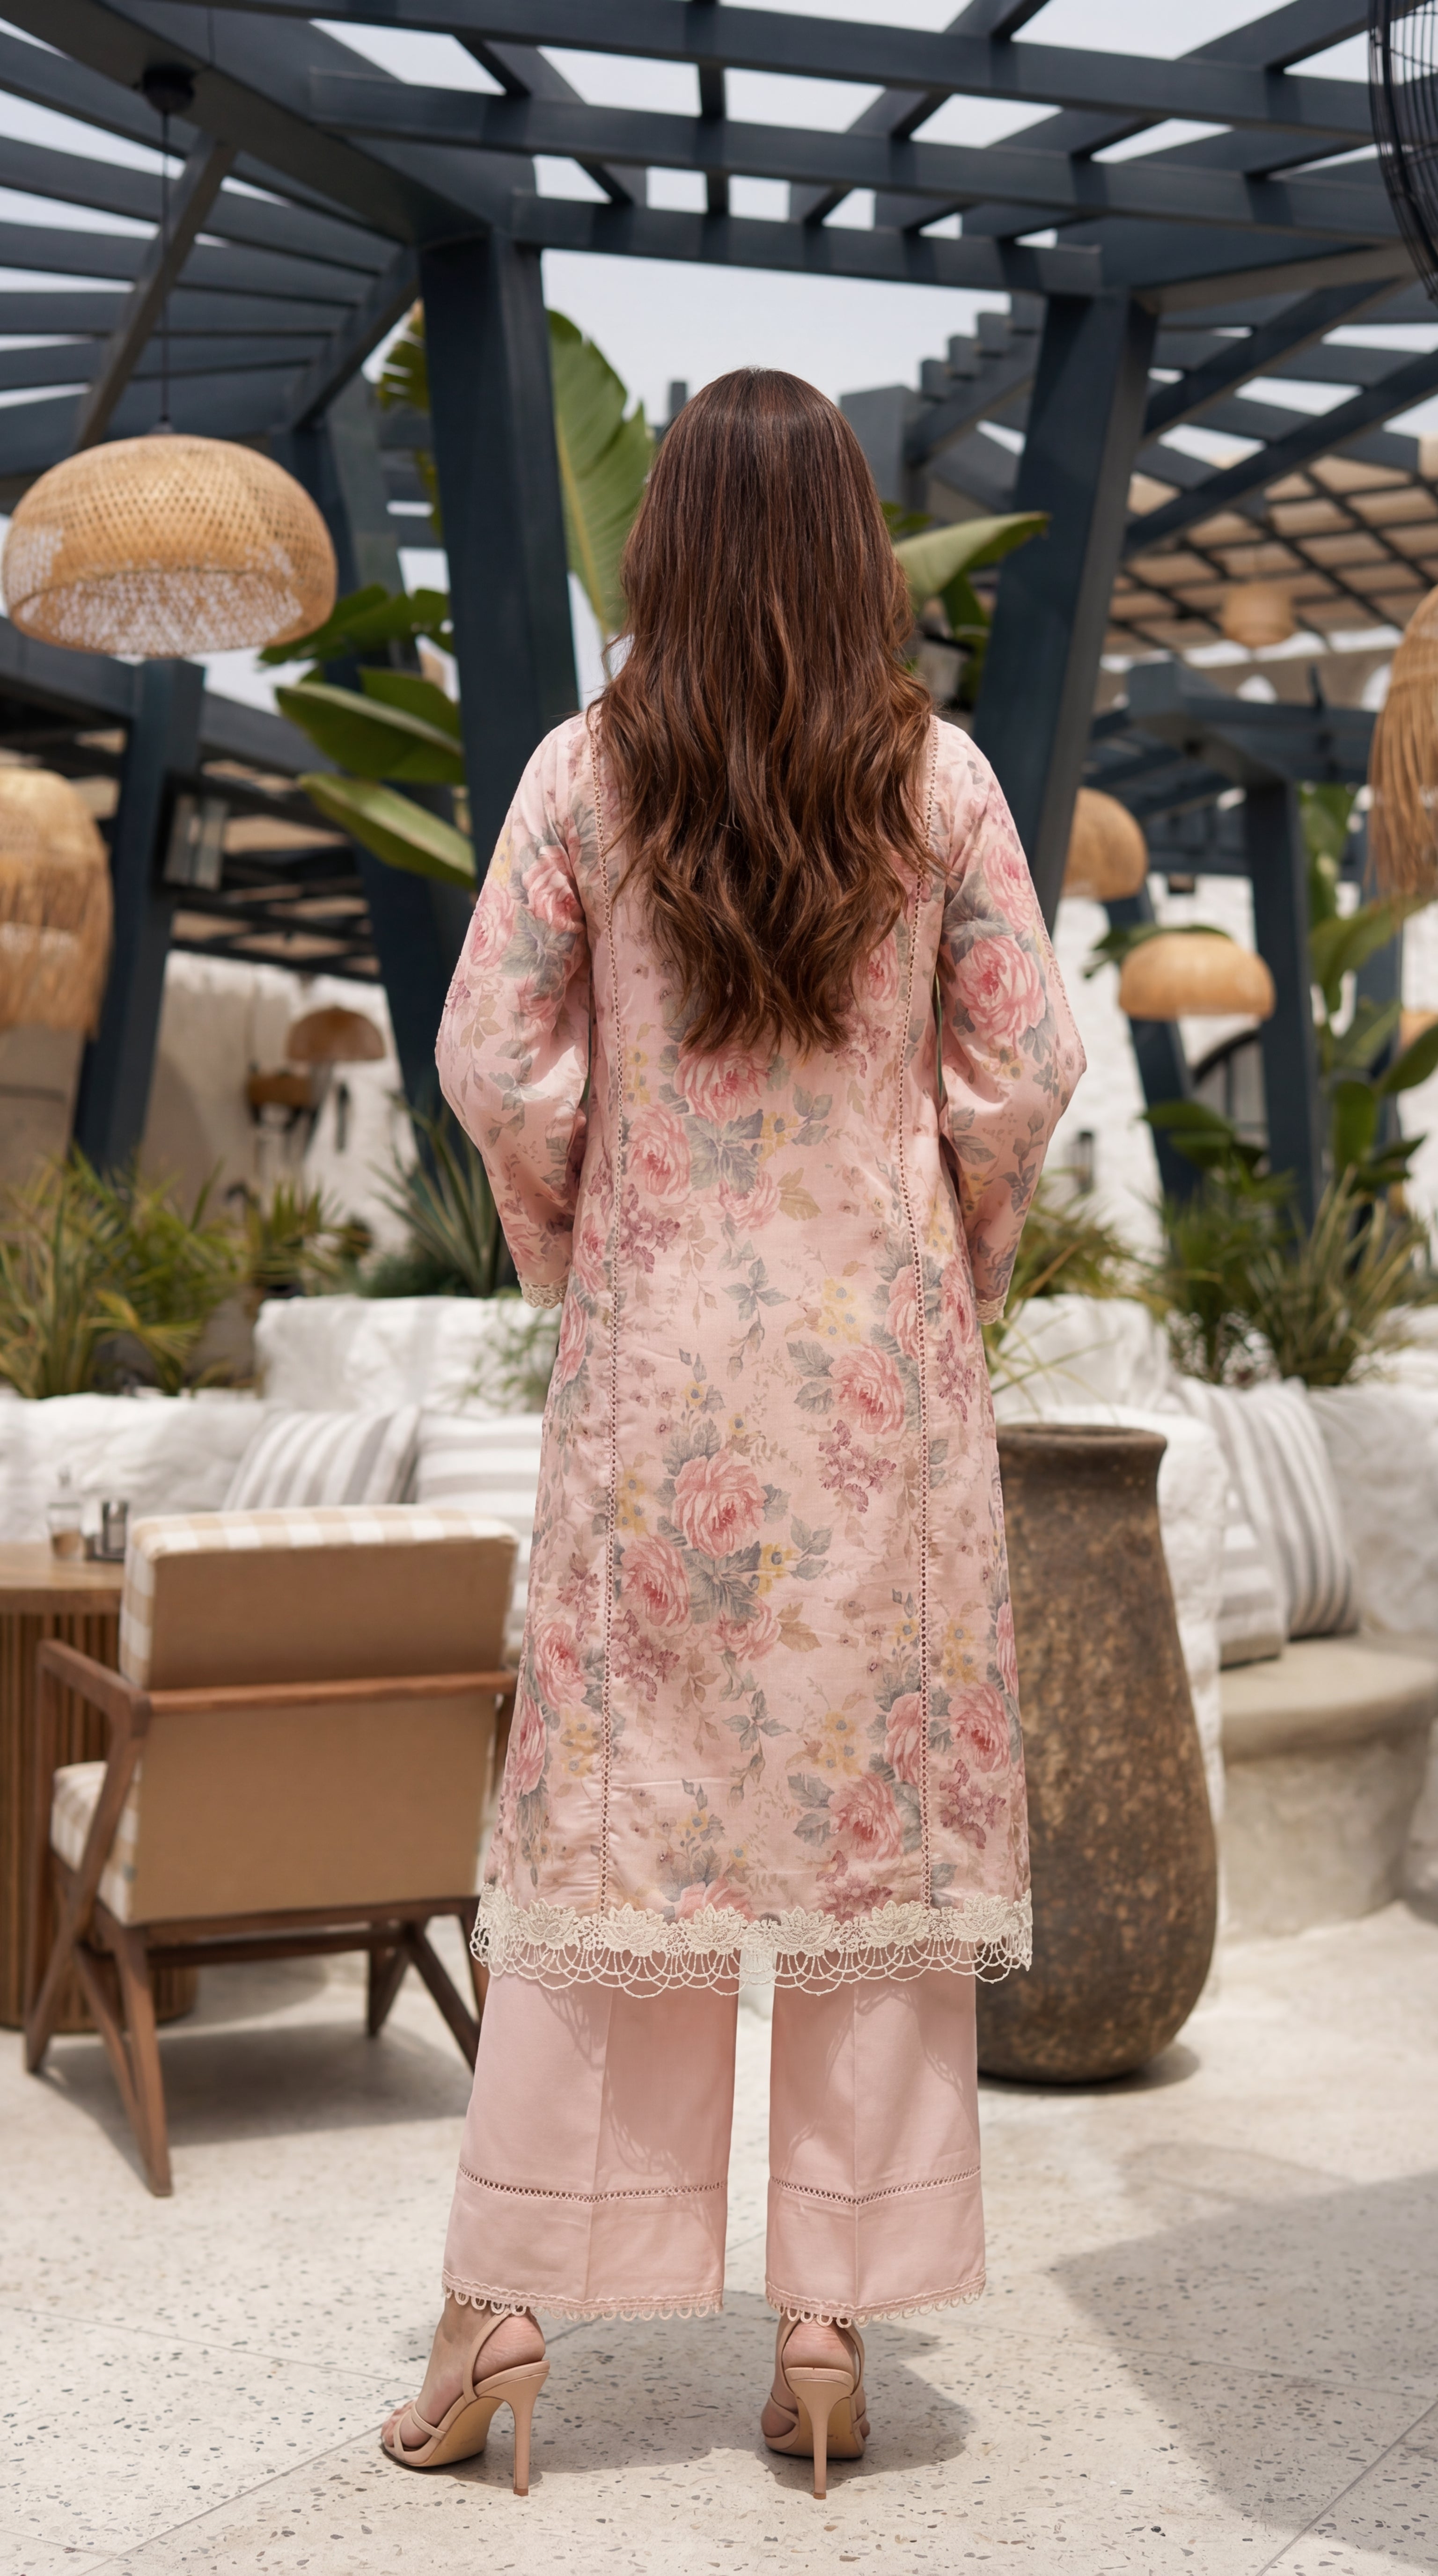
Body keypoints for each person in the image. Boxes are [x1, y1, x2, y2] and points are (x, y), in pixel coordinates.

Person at [382, 367, 1084, 2500]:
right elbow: (1027, 1066)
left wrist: (597, 1230)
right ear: (860, 552)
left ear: (664, 541)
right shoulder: (941, 782)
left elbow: (497, 1060)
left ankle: (508, 2312)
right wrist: (935, 1259)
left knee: (618, 1858)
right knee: (865, 1870)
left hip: (657, 1385)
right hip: (874, 1398)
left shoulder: (585, 777)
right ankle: (823, 2325)